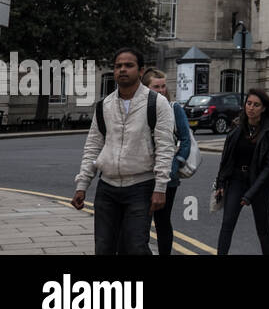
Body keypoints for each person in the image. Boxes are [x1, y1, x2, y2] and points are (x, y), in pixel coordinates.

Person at [73, 48, 175, 255]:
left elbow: (165, 147)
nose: (122, 70)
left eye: (129, 65)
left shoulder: (157, 103)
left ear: (140, 70)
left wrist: (160, 187)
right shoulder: (104, 106)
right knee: (103, 248)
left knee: (135, 247)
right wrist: (82, 185)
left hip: (140, 187)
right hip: (107, 187)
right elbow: (93, 146)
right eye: (118, 66)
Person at [213, 88, 269, 255]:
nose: (251, 108)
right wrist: (221, 182)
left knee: (263, 229)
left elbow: (268, 167)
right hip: (237, 180)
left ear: (263, 108)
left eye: (256, 105)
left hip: (260, 184)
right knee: (227, 225)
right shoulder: (237, 125)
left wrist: (250, 194)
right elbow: (226, 157)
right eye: (249, 103)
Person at [141, 69, 192, 256]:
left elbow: (186, 140)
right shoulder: (141, 108)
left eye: (163, 86)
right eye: (156, 86)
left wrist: (175, 165)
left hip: (167, 177)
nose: (161, 90)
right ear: (146, 88)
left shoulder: (173, 108)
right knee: (141, 222)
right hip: (143, 174)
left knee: (162, 221)